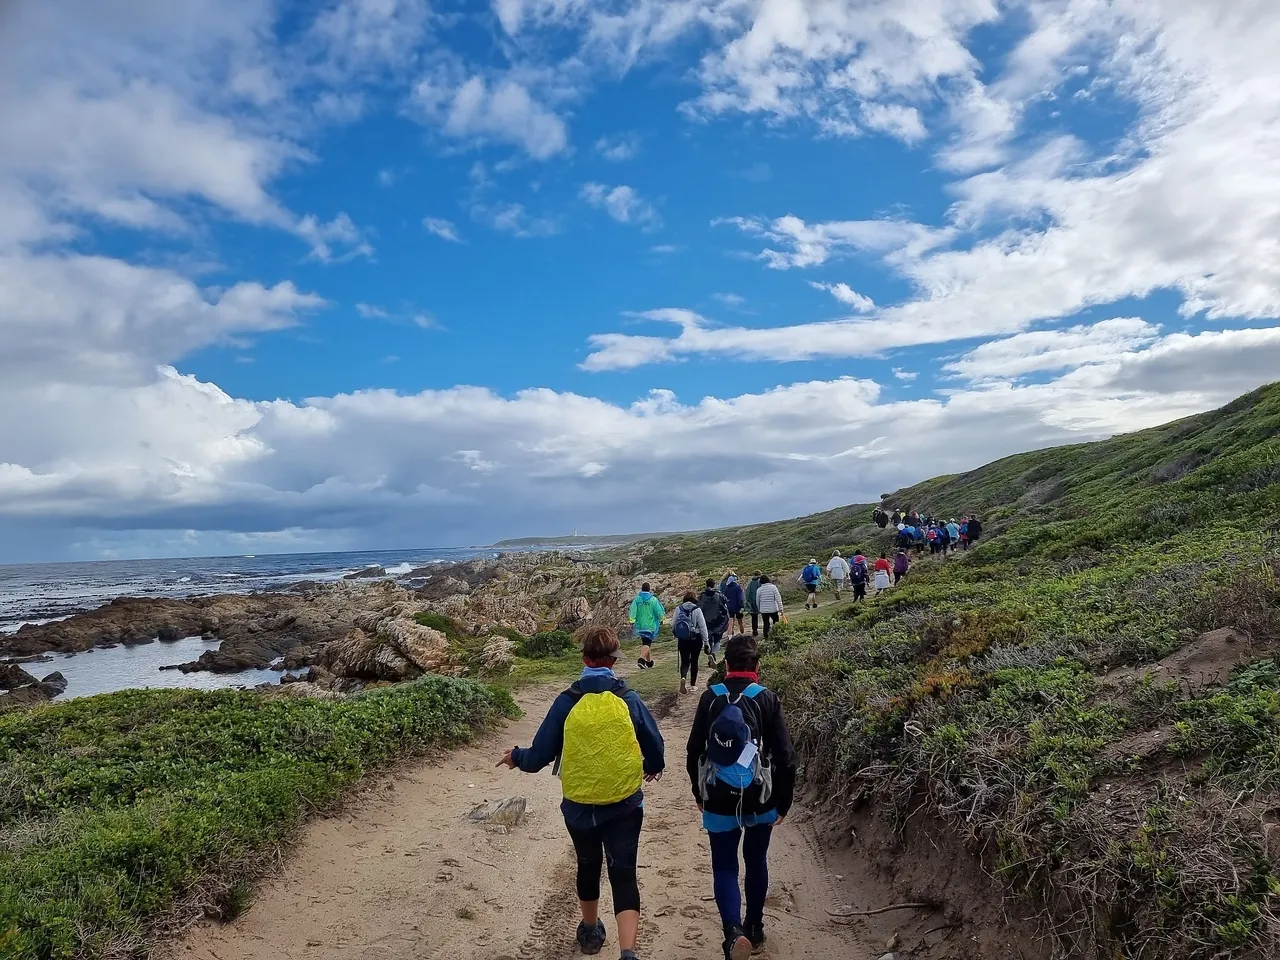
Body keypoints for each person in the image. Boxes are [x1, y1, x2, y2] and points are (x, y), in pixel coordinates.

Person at [499, 626, 664, 960]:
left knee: (588, 865)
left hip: (579, 806)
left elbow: (539, 756)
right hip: (625, 804)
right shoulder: (628, 698)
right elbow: (656, 746)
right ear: (614, 661)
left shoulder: (566, 701)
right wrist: (652, 765)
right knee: (623, 872)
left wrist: (516, 757)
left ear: (584, 658)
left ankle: (590, 932)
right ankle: (628, 952)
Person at [686, 636, 796, 960]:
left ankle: (733, 933)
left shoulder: (710, 698)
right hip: (762, 798)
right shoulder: (767, 699)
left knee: (724, 867)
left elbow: (693, 751)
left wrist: (698, 793)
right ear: (757, 667)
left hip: (718, 799)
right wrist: (783, 803)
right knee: (756, 860)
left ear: (726, 667)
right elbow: (787, 758)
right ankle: (755, 926)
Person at [672, 592, 709, 694]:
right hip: (695, 639)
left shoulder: (678, 609)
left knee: (684, 661)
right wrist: (706, 642)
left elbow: (673, 624)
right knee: (694, 661)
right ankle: (693, 685)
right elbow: (702, 627)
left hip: (683, 639)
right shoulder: (697, 610)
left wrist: (677, 634)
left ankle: (683, 677)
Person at [628, 583, 665, 670]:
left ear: (641, 589)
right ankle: (641, 660)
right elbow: (659, 611)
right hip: (651, 625)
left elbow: (633, 610)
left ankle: (649, 662)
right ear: (649, 589)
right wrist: (661, 619)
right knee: (647, 643)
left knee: (646, 642)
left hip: (640, 625)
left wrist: (632, 620)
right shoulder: (653, 600)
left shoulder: (637, 599)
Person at [699, 579, 730, 667]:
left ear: (706, 585)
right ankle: (713, 653)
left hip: (706, 622)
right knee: (717, 640)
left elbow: (699, 607)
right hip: (718, 622)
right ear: (714, 585)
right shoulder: (719, 595)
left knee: (708, 640)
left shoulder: (702, 596)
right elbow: (725, 604)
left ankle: (709, 653)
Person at [745, 572, 762, 636]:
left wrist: (748, 603)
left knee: (754, 617)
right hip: (760, 601)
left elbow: (747, 594)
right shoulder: (761, 581)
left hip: (752, 602)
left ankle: (755, 630)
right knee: (765, 615)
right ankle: (766, 629)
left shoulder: (750, 583)